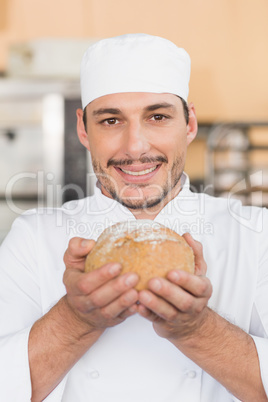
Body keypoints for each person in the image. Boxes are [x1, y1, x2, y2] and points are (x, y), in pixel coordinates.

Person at [0, 33, 267, 402]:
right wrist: (75, 320)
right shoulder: (33, 239)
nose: (135, 147)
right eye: (111, 120)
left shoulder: (255, 235)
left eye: (158, 116)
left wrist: (197, 329)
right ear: (83, 129)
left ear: (189, 124)